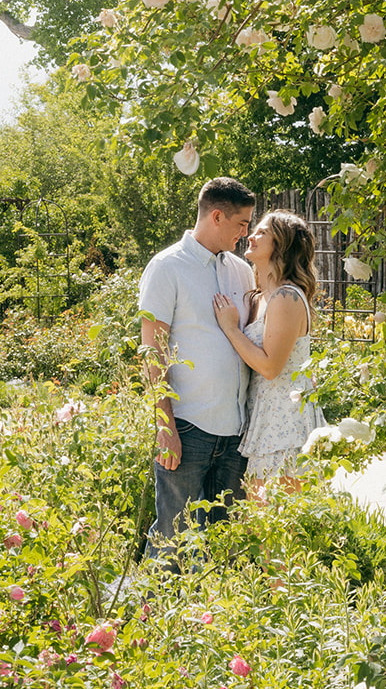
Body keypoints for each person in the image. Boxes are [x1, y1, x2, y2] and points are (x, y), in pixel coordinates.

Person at [138, 177, 256, 559]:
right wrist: (164, 424)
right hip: (188, 428)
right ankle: (151, 615)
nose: (246, 232)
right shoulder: (167, 267)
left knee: (226, 546)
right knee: (172, 537)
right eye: (241, 223)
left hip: (236, 431)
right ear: (217, 216)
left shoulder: (241, 271)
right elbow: (151, 351)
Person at [212, 210, 325, 490]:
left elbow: (270, 367)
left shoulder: (287, 297)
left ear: (282, 245)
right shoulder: (261, 297)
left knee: (282, 520)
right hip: (265, 415)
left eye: (262, 232)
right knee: (262, 523)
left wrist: (231, 329)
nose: (251, 236)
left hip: (285, 421)